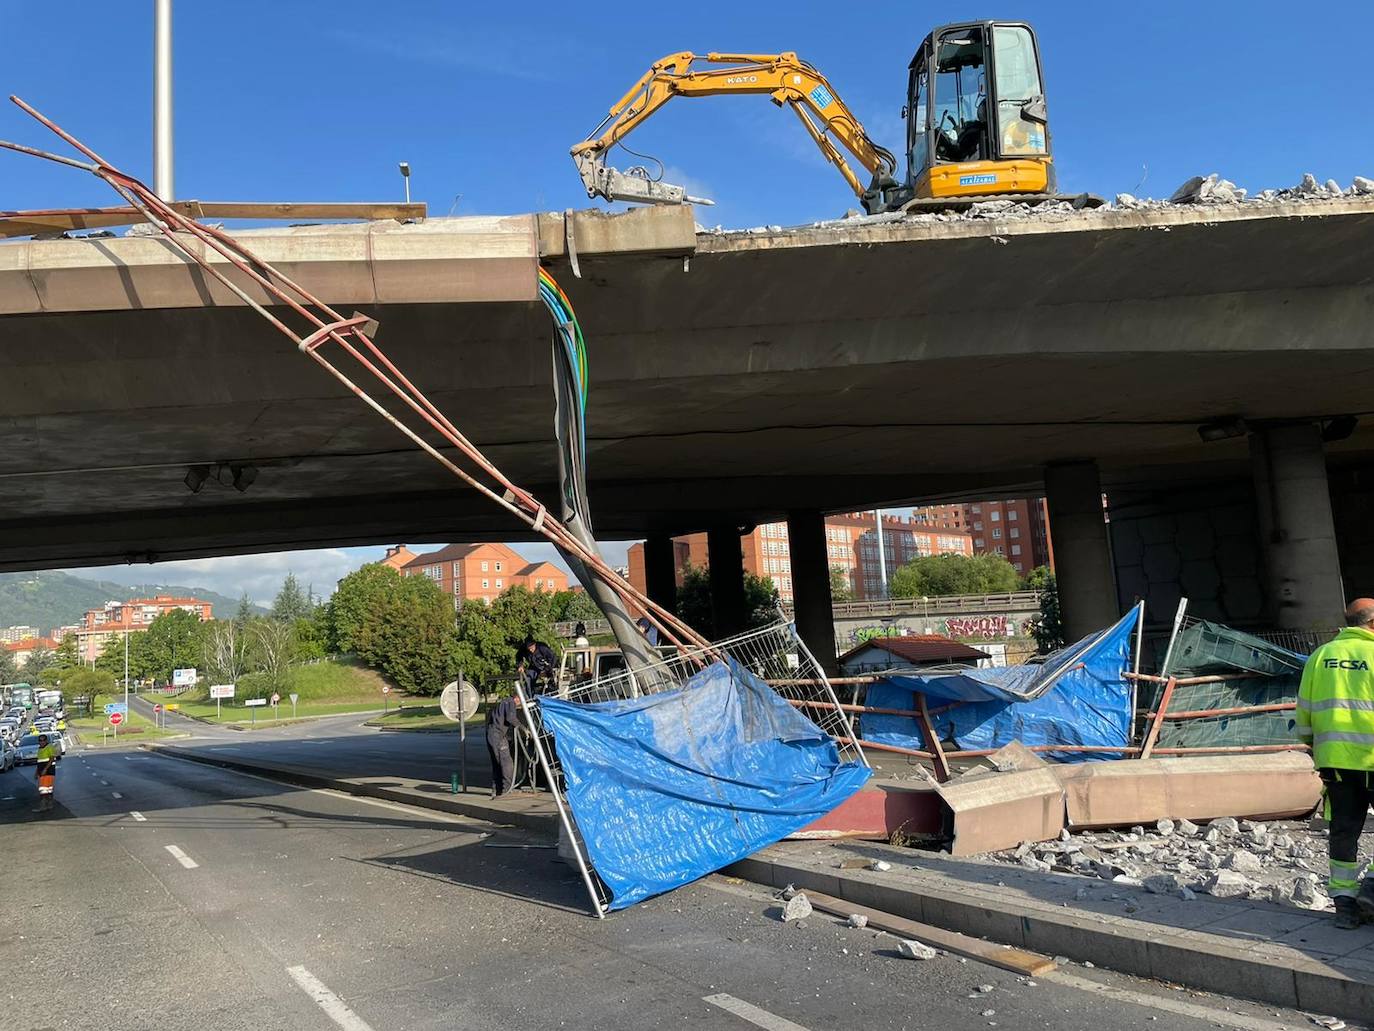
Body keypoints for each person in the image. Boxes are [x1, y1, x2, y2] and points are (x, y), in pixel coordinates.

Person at [1297, 598, 1374, 928]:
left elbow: (1304, 712)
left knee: (1344, 828)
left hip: (1335, 762)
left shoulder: (1320, 656)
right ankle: (1371, 889)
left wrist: (1315, 746)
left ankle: (1344, 904)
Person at [485, 695, 519, 798]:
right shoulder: (511, 703)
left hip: (491, 734)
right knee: (506, 763)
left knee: (497, 763)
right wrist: (522, 727)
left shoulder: (503, 702)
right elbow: (510, 718)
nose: (519, 705)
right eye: (520, 702)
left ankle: (496, 789)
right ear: (517, 698)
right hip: (497, 735)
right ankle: (506, 789)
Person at [33, 733, 56, 813]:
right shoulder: (40, 749)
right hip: (42, 772)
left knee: (43, 790)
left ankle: (43, 806)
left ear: (46, 740)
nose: (42, 742)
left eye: (43, 740)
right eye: (40, 740)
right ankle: (49, 805)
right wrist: (36, 772)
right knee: (48, 790)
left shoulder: (49, 747)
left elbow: (52, 758)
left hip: (48, 772)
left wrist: (45, 769)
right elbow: (39, 762)